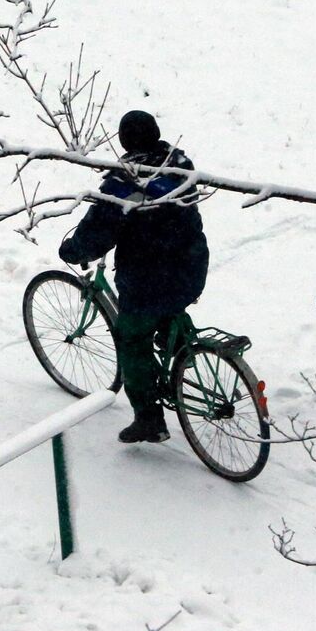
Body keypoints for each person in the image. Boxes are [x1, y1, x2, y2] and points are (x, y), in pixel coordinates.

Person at [58, 110, 209, 443]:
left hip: (147, 280)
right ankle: (181, 346)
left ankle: (149, 419)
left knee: (132, 341)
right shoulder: (179, 164)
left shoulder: (124, 182)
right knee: (169, 304)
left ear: (124, 140)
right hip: (192, 266)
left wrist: (74, 251)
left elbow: (98, 229)